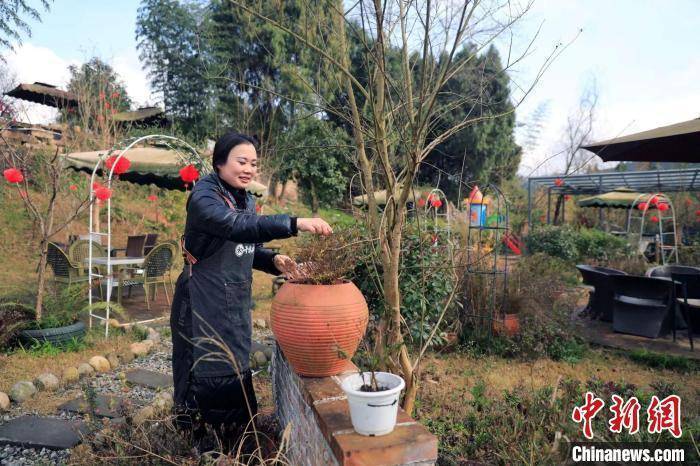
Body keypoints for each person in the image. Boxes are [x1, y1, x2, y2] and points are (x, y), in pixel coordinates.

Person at [170, 131, 332, 451]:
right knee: (206, 367)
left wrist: (275, 259)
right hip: (203, 300)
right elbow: (233, 226)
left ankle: (238, 441)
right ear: (219, 163)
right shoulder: (205, 197)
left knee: (235, 364)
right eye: (241, 161)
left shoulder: (244, 197)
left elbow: (246, 246)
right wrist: (294, 222)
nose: (249, 169)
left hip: (233, 298)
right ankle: (202, 444)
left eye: (254, 163)